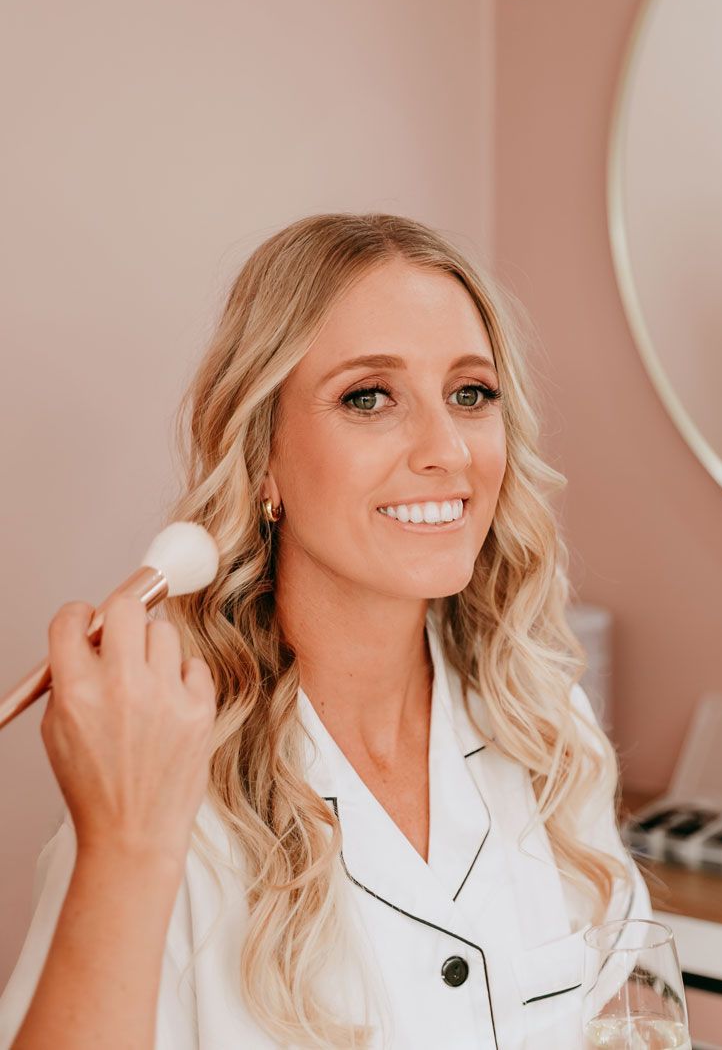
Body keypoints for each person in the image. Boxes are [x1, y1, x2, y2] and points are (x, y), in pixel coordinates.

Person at [0, 213, 651, 1049]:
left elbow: (621, 1015)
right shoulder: (170, 798)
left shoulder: (548, 730)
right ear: (262, 456)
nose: (447, 449)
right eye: (368, 397)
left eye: (470, 393)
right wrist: (124, 845)